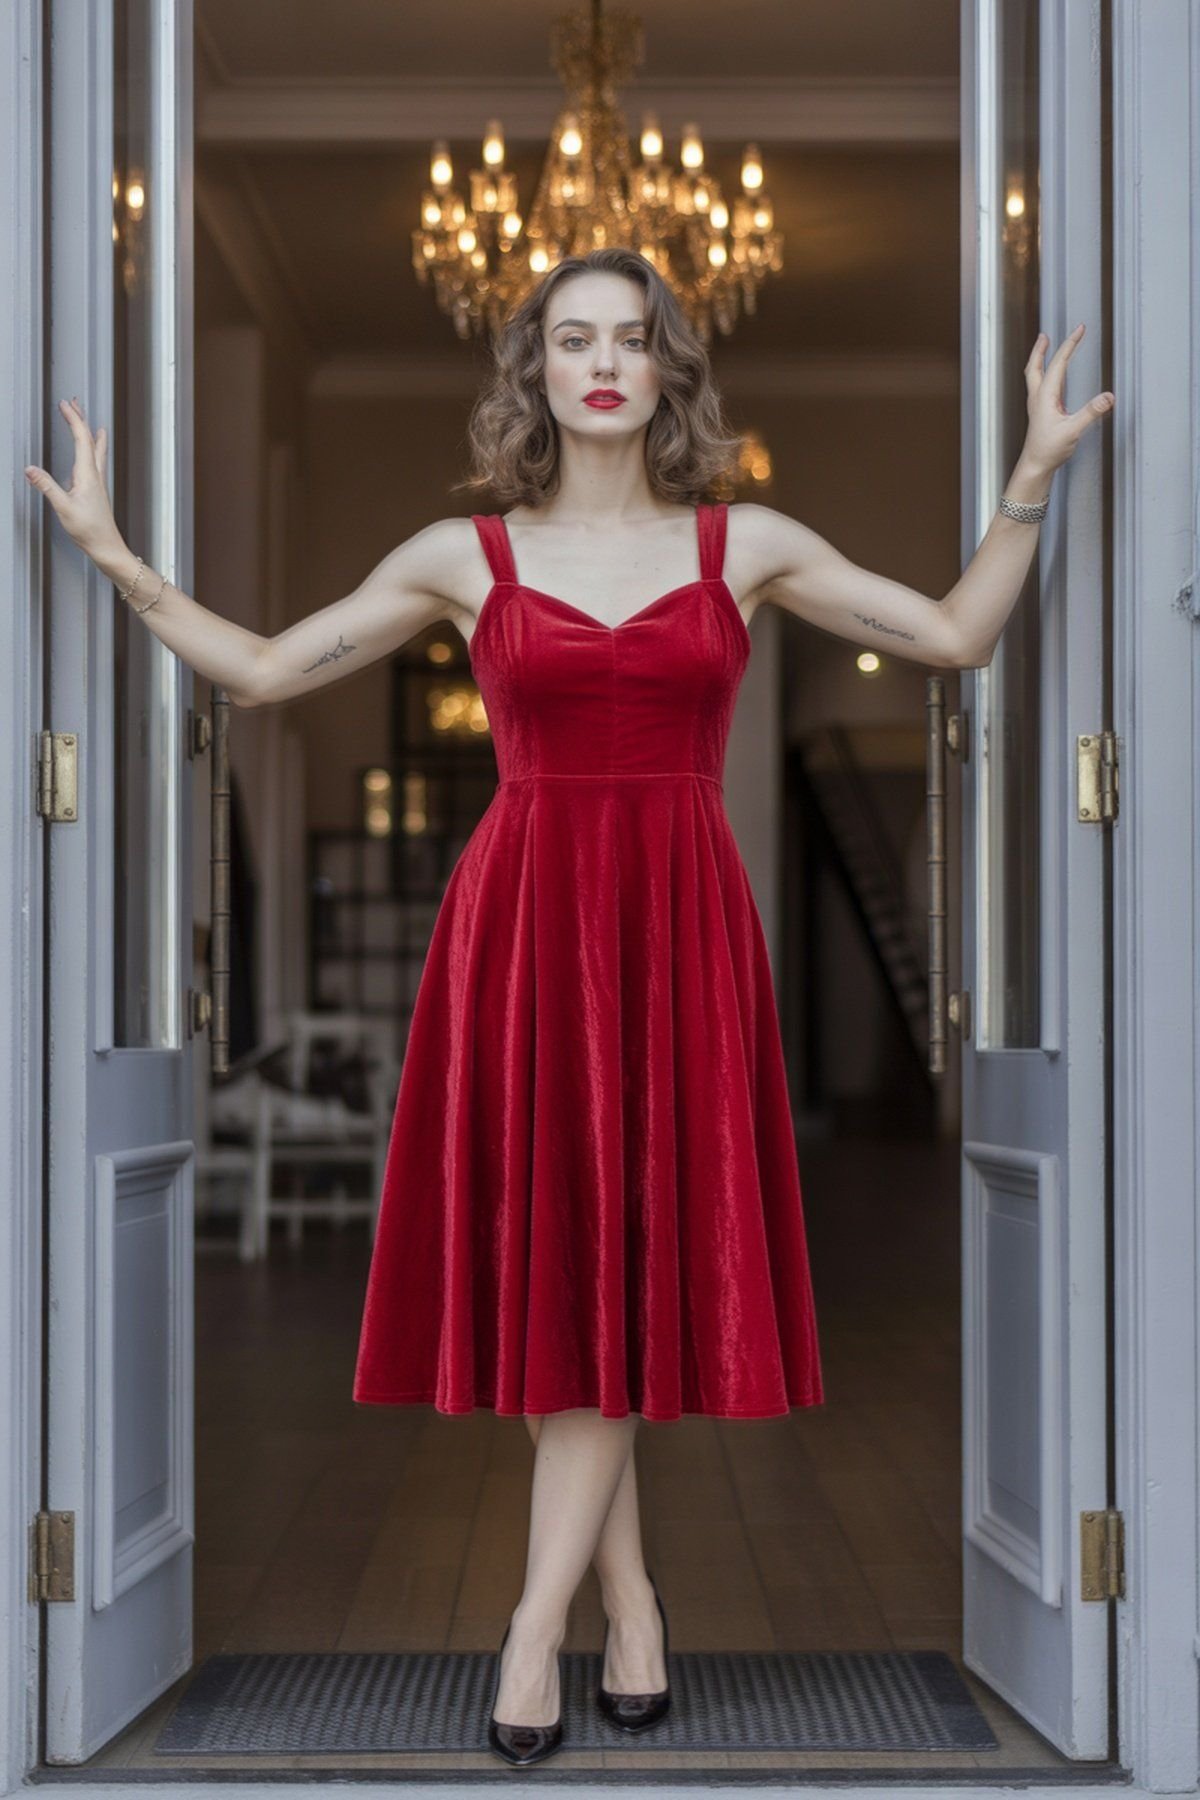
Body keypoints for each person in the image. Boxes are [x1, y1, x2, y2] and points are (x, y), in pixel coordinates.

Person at [26, 246, 1114, 1766]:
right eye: (572, 340)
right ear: (533, 372)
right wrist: (115, 556)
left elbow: (954, 633)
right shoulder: (469, 558)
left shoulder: (743, 542)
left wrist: (1032, 476)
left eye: (631, 340)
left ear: (669, 368)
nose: (603, 364)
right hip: (524, 929)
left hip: (676, 926)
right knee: (568, 1269)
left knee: (625, 1260)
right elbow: (268, 672)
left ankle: (535, 1627)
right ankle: (625, 1610)